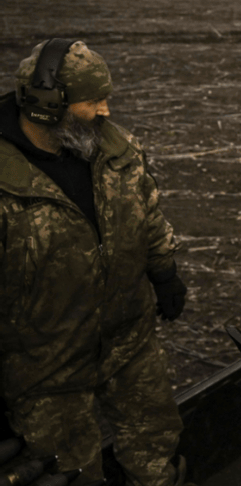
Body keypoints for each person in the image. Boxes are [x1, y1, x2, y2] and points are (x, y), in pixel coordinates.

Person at [0, 39, 188, 485]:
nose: (105, 111)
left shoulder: (115, 149)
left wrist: (164, 274)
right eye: (93, 101)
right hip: (47, 366)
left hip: (130, 341)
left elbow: (148, 215)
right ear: (48, 105)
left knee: (157, 451)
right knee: (71, 472)